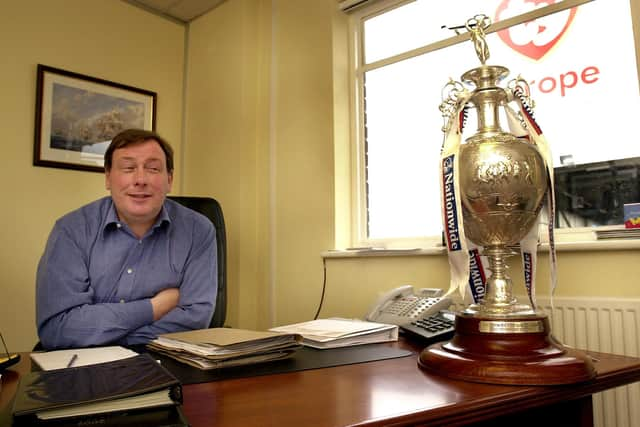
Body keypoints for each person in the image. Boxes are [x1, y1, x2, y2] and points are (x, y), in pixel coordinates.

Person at [36, 129, 217, 349]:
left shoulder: (199, 230)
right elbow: (57, 328)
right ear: (108, 177)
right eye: (128, 168)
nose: (140, 180)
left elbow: (195, 323)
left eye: (152, 168)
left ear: (169, 179)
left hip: (167, 364)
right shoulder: (71, 230)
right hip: (83, 368)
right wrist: (154, 307)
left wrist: (108, 336)